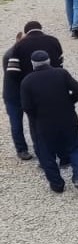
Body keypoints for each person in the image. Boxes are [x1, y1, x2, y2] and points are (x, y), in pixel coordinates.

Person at [20, 50, 78, 194]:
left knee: (46, 154)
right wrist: (71, 101)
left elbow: (27, 107)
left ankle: (57, 184)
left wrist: (36, 117)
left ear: (33, 64)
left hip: (44, 123)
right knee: (76, 147)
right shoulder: (61, 73)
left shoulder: (27, 81)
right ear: (49, 61)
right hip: (67, 118)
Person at [3, 31, 33, 160]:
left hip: (12, 94)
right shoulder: (12, 55)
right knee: (17, 123)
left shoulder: (10, 54)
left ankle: (23, 149)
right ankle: (21, 149)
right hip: (15, 95)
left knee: (18, 122)